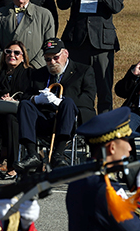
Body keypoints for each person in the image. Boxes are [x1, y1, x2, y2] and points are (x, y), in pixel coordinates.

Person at [57, 0, 123, 114]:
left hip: (102, 44)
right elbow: (62, 4)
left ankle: (104, 132)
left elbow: (116, 7)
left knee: (104, 90)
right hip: (77, 43)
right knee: (74, 88)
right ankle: (77, 129)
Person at [17, 38, 96, 171]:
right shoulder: (39, 74)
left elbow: (88, 98)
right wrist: (36, 99)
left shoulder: (83, 71)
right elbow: (25, 95)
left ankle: (58, 154)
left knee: (68, 103)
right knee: (25, 105)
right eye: (48, 59)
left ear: (66, 53)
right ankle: (32, 154)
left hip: (69, 120)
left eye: (56, 57)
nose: (52, 62)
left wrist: (61, 101)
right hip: (44, 118)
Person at [0, 40, 32, 180]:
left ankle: (13, 166)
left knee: (10, 120)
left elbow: (32, 96)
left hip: (18, 115)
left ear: (23, 57)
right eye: (8, 52)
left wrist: (15, 100)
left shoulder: (29, 75)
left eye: (16, 52)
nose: (12, 55)